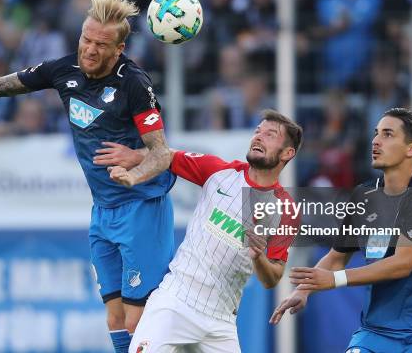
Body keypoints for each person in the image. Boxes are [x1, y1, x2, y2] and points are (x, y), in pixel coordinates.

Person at [0, 0, 175, 353]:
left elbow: (162, 153)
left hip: (142, 205)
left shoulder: (134, 84)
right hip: (103, 211)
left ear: (120, 48)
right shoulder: (64, 70)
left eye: (101, 45)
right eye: (86, 40)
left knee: (138, 319)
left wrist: (134, 168)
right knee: (114, 318)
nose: (90, 50)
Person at [94, 109, 302, 352]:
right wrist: (135, 156)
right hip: (176, 301)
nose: (258, 137)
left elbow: (273, 278)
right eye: (258, 131)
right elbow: (169, 156)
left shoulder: (286, 210)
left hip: (220, 320)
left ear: (288, 152)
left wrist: (259, 258)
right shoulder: (220, 173)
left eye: (270, 134)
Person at [270, 108, 412, 353]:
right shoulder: (364, 196)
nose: (376, 141)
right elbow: (337, 257)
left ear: (411, 149)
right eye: (376, 133)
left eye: (388, 134)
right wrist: (304, 290)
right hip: (376, 333)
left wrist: (335, 280)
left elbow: (402, 263)